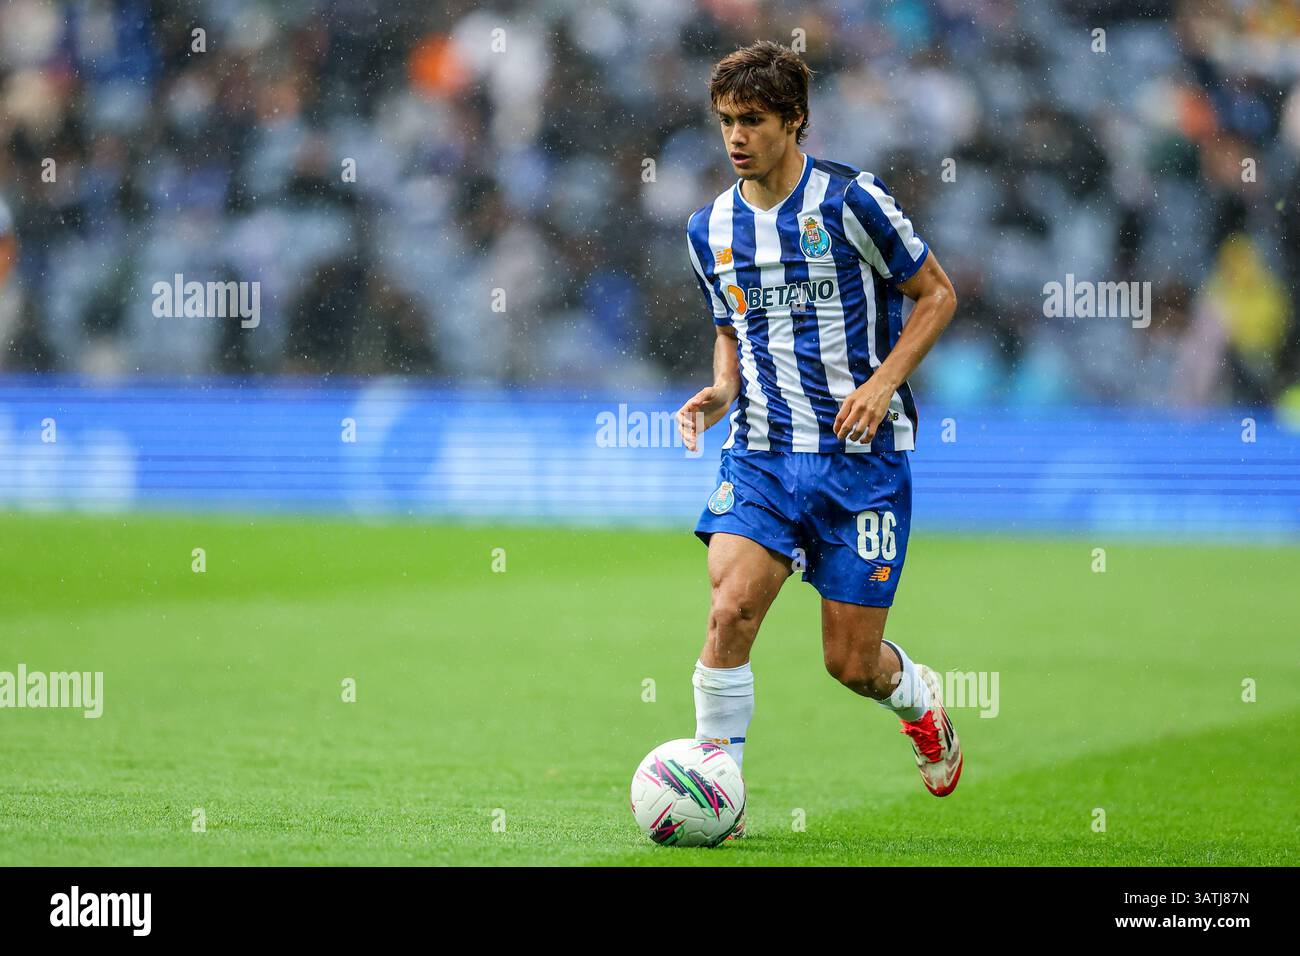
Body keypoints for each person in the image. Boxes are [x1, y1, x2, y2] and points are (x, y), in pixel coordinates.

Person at [676, 41, 962, 836]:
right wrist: (724, 387)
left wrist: (879, 385)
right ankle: (715, 790)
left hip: (861, 463)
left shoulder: (851, 202)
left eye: (754, 121)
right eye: (726, 121)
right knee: (729, 610)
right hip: (762, 451)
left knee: (850, 663)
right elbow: (730, 321)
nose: (736, 137)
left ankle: (917, 700)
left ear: (795, 121)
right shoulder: (709, 228)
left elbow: (936, 294)